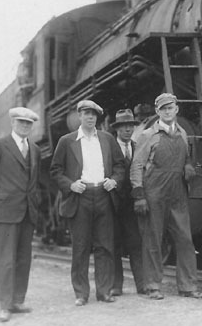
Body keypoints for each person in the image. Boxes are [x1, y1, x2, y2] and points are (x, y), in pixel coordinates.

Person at [130, 93, 202, 300]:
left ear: (176, 109)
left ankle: (188, 286)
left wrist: (188, 164)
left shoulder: (182, 133)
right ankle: (153, 286)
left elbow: (185, 156)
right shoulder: (148, 135)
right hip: (154, 193)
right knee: (153, 240)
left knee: (185, 239)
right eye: (163, 108)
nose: (167, 111)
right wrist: (139, 194)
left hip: (177, 192)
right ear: (157, 111)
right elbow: (137, 165)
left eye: (170, 107)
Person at [50, 100, 125, 305]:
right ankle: (81, 294)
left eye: (93, 114)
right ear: (79, 116)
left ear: (97, 117)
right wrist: (70, 185)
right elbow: (56, 170)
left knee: (105, 246)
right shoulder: (67, 141)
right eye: (86, 113)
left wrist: (114, 180)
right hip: (80, 197)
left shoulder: (107, 139)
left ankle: (104, 292)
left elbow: (119, 165)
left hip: (103, 195)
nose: (90, 117)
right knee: (80, 247)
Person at [0, 107, 41, 323]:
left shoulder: (35, 149)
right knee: (6, 261)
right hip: (5, 212)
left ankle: (17, 301)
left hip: (27, 212)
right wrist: (0, 198)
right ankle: (5, 306)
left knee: (23, 259)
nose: (25, 126)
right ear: (13, 123)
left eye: (28, 123)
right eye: (21, 122)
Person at [110, 108, 145, 295]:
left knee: (136, 243)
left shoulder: (137, 146)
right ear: (117, 128)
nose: (127, 130)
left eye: (130, 126)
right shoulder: (109, 148)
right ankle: (116, 286)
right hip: (113, 205)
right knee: (114, 244)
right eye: (123, 126)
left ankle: (142, 284)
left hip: (132, 205)